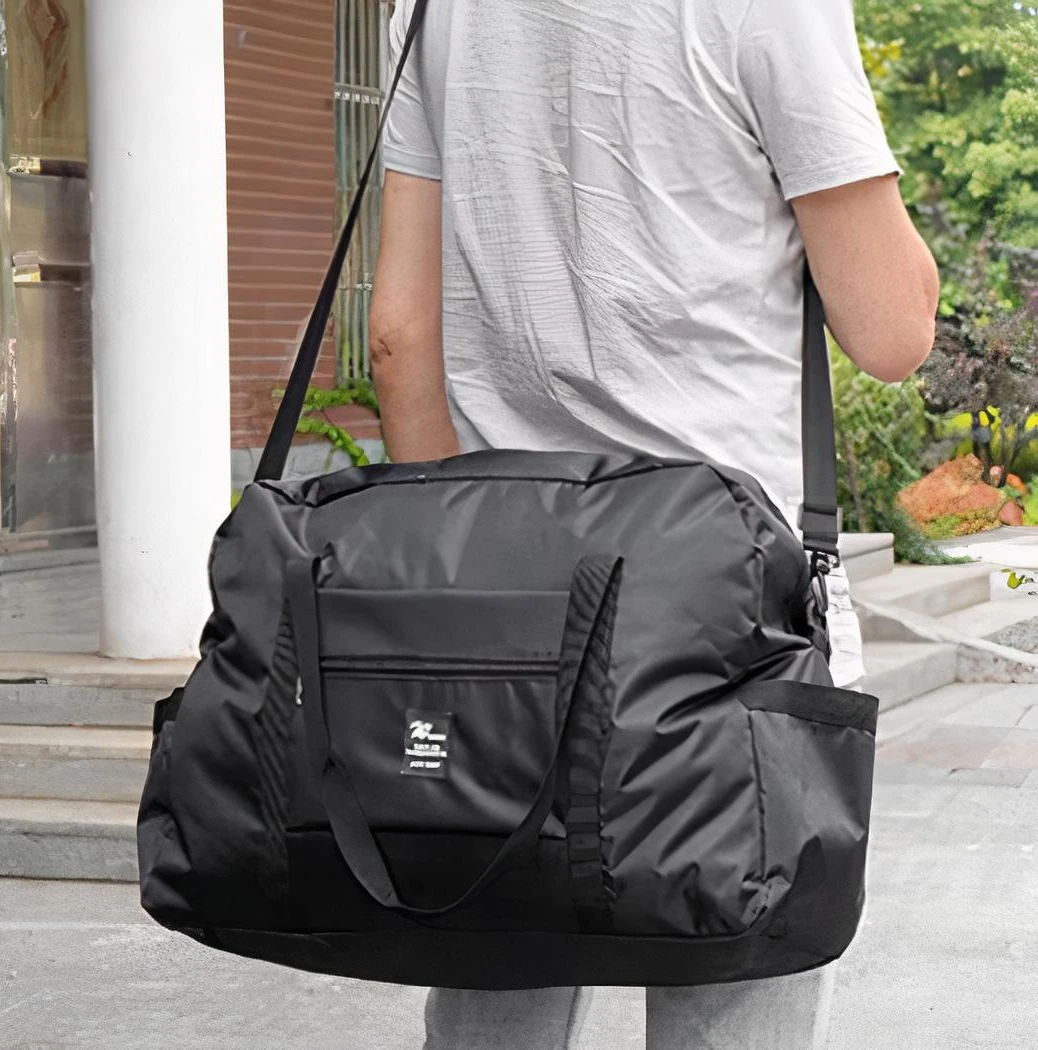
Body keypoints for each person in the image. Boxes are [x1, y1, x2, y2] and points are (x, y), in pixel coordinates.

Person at [368, 1, 939, 1047]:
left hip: (505, 599)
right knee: (732, 963)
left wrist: (454, 579)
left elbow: (400, 337)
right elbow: (892, 330)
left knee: (494, 964)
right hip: (733, 610)